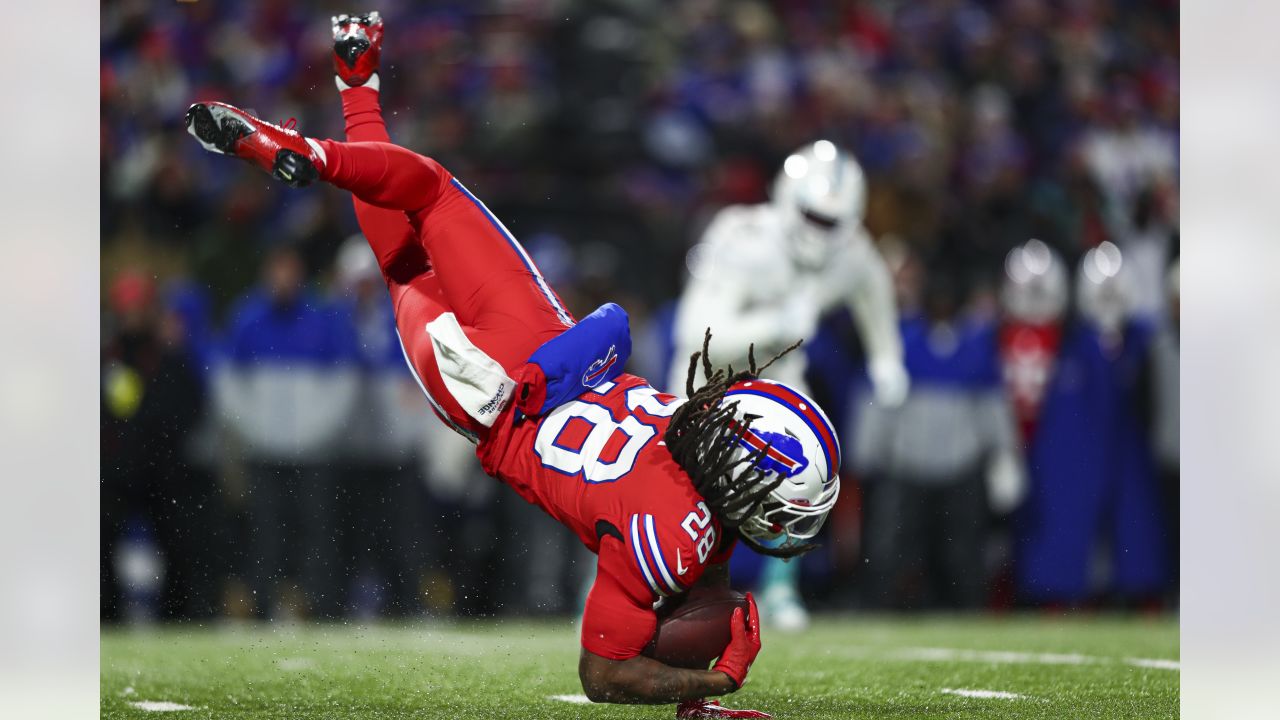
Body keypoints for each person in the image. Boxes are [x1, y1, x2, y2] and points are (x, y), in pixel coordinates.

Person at [182, 13, 845, 718]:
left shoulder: (689, 441)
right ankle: (350, 92)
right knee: (402, 252)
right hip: (494, 403)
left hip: (535, 358)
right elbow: (604, 674)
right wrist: (712, 686)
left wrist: (572, 362)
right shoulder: (674, 544)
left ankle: (325, 124)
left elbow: (613, 326)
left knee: (424, 192)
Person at [669, 140, 908, 629]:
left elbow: (873, 291)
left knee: (808, 469)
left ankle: (780, 588)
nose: (821, 231)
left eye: (831, 222)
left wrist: (888, 358)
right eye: (813, 217)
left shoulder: (852, 251)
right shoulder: (742, 236)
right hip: (707, 379)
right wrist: (776, 322)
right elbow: (695, 334)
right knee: (676, 490)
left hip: (777, 373)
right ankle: (656, 585)